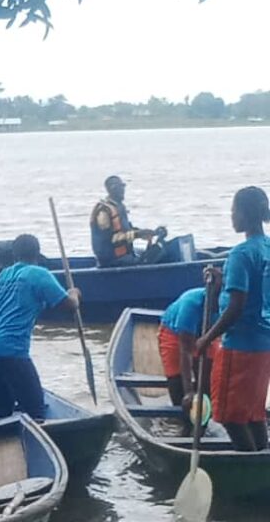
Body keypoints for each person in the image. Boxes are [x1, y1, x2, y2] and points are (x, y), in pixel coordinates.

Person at [0, 234, 80, 421]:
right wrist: (74, 294)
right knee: (36, 410)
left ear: (14, 255)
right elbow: (69, 306)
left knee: (3, 408)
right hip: (11, 351)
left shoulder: (2, 274)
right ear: (37, 254)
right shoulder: (38, 274)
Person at [196, 186, 270, 452]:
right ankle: (262, 459)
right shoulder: (266, 248)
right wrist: (220, 282)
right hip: (263, 345)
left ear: (245, 214)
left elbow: (237, 306)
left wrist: (207, 337)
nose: (231, 216)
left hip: (240, 346)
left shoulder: (241, 254)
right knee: (253, 413)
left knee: (229, 416)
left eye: (234, 210)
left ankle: (250, 464)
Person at [158, 267, 223, 408]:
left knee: (209, 383)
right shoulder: (191, 304)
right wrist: (188, 392)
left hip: (207, 334)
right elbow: (185, 350)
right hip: (174, 335)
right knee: (178, 388)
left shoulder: (232, 304)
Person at [90, 175, 163, 268]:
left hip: (124, 255)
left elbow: (127, 229)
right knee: (153, 256)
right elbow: (111, 239)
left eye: (123, 187)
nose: (122, 191)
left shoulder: (118, 206)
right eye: (119, 188)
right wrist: (138, 234)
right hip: (112, 260)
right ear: (112, 189)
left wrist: (149, 233)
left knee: (155, 251)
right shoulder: (103, 212)